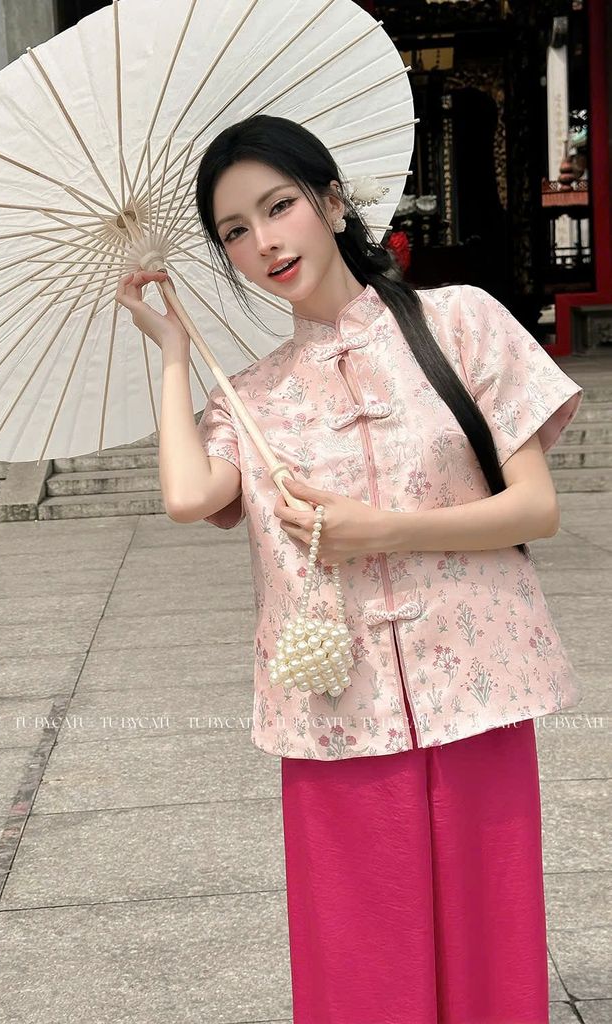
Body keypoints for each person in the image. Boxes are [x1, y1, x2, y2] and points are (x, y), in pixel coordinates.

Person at [114, 114, 583, 1024]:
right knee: (363, 965)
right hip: (335, 703)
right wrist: (172, 354)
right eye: (234, 231)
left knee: (490, 948)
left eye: (278, 206)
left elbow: (536, 509)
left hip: (476, 684)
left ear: (332, 202)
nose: (263, 242)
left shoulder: (460, 323)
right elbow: (187, 496)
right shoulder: (251, 396)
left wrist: (383, 532)